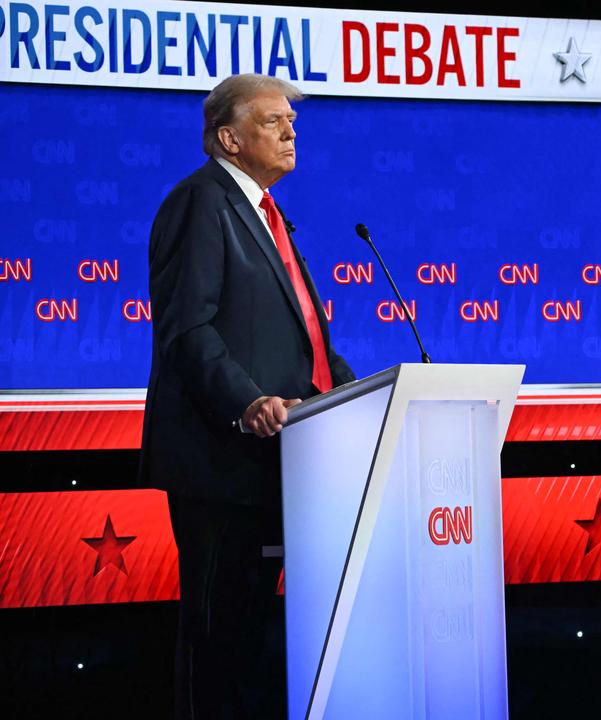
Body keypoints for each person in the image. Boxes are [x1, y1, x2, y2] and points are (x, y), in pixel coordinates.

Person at [139, 73, 356, 718]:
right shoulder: (201, 203)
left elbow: (305, 341)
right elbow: (188, 329)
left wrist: (354, 389)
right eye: (272, 122)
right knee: (218, 640)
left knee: (254, 641)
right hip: (221, 467)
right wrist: (246, 401)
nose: (290, 132)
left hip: (278, 463)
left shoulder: (267, 212)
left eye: (292, 120)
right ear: (229, 138)